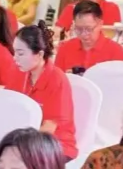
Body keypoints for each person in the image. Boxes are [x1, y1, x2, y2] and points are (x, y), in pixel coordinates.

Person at [13, 23, 78, 161]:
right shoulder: (20, 73)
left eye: (20, 53)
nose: (15, 58)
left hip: (55, 146)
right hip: (25, 142)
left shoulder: (56, 79)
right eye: (14, 52)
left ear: (40, 54)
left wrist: (17, 146)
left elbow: (49, 128)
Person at [54, 0, 123, 73]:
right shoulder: (65, 48)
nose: (84, 34)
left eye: (89, 29)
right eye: (79, 29)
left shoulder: (115, 51)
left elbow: (122, 79)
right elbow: (56, 78)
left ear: (100, 24)